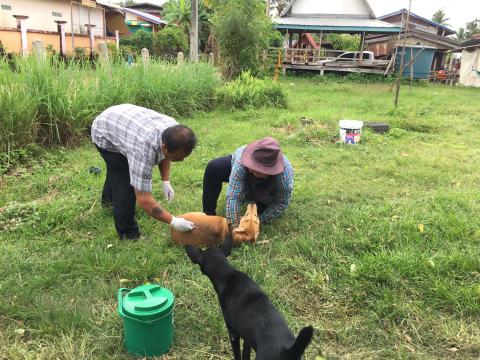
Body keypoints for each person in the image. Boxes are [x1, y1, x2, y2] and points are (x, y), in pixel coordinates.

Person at [91, 104, 196, 240]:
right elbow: (144, 199)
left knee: (117, 172)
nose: (181, 160)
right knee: (125, 181)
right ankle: (128, 233)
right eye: (178, 157)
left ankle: (108, 202)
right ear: (164, 146)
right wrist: (174, 221)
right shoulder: (142, 151)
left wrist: (165, 180)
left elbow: (165, 155)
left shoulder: (174, 130)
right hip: (104, 131)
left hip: (123, 121)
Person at [202, 137, 293, 228]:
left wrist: (257, 221)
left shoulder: (284, 176)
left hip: (267, 189)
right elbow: (233, 196)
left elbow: (280, 202)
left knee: (259, 208)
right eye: (252, 165)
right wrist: (234, 225)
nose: (253, 170)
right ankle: (208, 216)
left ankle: (256, 198)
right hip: (242, 174)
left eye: (259, 170)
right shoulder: (241, 162)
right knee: (214, 168)